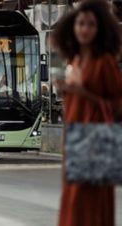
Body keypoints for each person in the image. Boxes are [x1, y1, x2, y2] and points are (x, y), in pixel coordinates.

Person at [52, 0, 122, 225]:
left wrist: (83, 93)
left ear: (100, 28)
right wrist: (66, 92)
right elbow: (76, 101)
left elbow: (117, 104)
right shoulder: (75, 59)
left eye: (90, 24)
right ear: (72, 26)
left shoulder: (105, 62)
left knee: (90, 201)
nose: (84, 29)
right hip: (76, 136)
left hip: (96, 138)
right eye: (80, 23)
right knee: (73, 198)